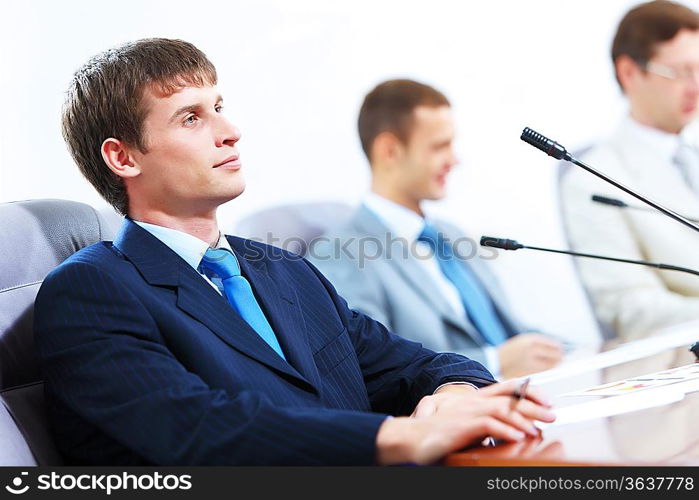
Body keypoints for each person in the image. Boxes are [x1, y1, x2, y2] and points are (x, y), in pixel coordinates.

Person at [33, 38, 555, 466]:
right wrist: (399, 437)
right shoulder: (91, 290)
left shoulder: (284, 270)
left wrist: (454, 398)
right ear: (122, 157)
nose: (230, 132)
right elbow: (195, 430)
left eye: (218, 107)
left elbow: (422, 364)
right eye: (191, 118)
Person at [308, 79, 563, 379]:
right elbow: (372, 370)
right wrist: (493, 362)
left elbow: (513, 336)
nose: (454, 160)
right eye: (439, 146)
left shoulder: (450, 234)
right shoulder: (340, 254)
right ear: (389, 150)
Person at [560, 0, 699, 341]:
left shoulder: (692, 155)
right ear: (629, 73)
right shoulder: (592, 175)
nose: (695, 85)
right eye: (680, 72)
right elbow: (630, 309)